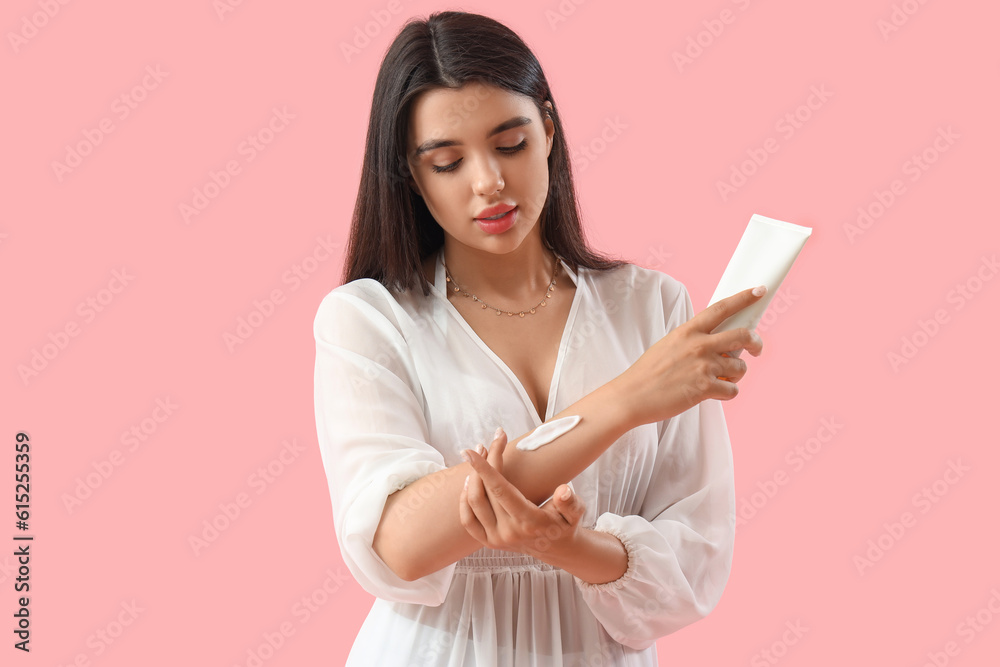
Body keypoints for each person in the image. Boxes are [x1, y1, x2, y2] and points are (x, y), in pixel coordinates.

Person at [312, 10, 766, 666]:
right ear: (411, 175)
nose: (487, 181)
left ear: (548, 130)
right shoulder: (370, 318)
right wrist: (626, 400)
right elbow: (400, 540)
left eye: (510, 143)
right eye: (447, 161)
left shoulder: (652, 307)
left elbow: (696, 560)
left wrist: (562, 546)